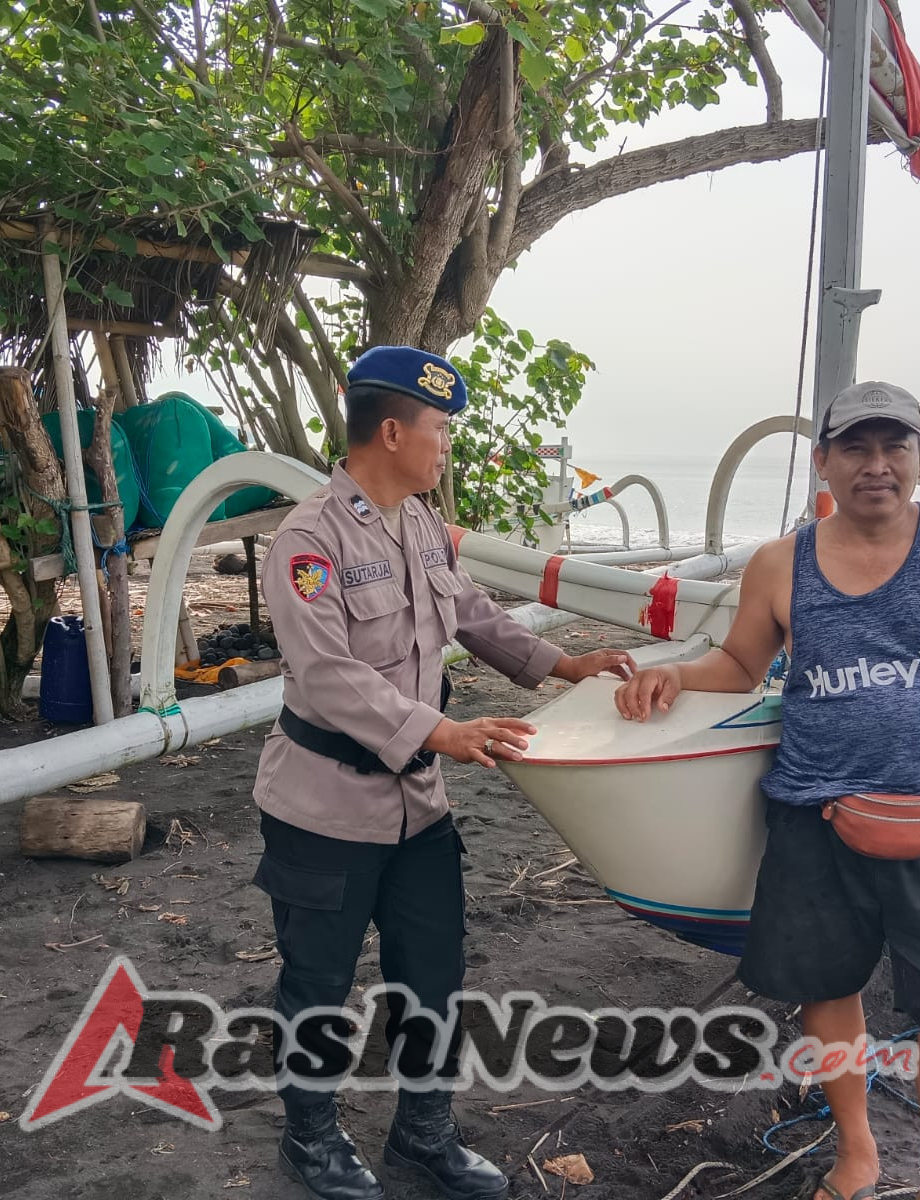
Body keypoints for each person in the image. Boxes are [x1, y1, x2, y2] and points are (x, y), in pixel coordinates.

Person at [613, 381, 920, 1200]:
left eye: (895, 447)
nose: (877, 466)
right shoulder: (782, 561)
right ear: (824, 462)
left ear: (917, 455)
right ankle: (858, 1153)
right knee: (826, 991)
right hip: (813, 814)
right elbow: (741, 665)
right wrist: (674, 677)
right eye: (857, 449)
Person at [254, 345, 634, 1200]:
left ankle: (423, 1135)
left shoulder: (420, 523)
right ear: (392, 433)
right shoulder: (307, 541)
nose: (445, 446)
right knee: (318, 982)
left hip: (417, 809)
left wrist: (562, 665)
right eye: (439, 431)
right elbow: (325, 675)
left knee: (432, 973)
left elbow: (468, 611)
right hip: (324, 809)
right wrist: (440, 730)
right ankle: (309, 1142)